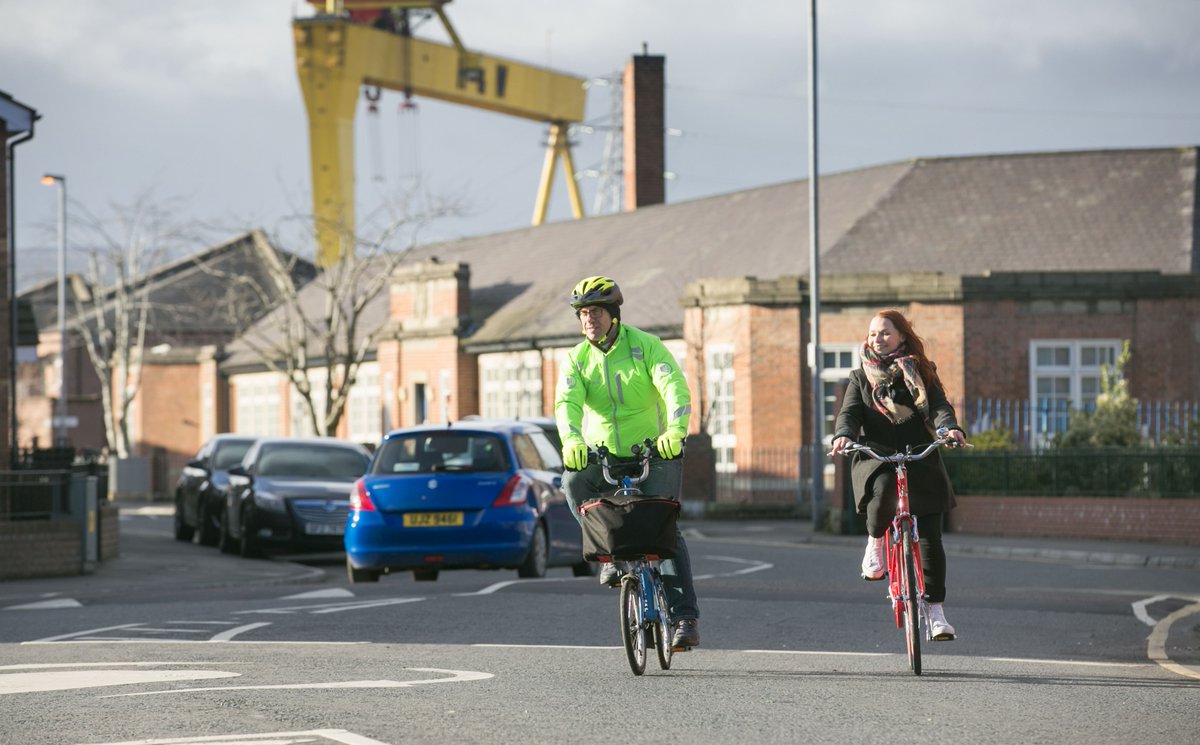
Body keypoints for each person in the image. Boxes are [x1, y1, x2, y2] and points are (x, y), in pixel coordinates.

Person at [553, 275, 701, 650]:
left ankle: (684, 618)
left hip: (653, 450)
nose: (589, 320)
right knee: (571, 484)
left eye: (597, 312)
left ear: (614, 315)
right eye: (583, 313)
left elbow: (674, 389)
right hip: (601, 453)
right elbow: (566, 404)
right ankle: (609, 556)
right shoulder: (576, 359)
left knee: (664, 528)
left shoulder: (646, 346)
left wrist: (675, 432)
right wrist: (572, 440)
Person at [830, 309, 968, 641]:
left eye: (886, 333)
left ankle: (936, 613)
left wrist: (948, 428)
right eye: (873, 333)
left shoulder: (921, 370)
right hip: (876, 455)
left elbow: (938, 406)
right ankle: (875, 542)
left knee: (931, 537)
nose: (878, 338)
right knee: (883, 495)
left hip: (919, 453)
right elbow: (849, 412)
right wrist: (843, 435)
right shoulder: (860, 376)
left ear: (902, 336)